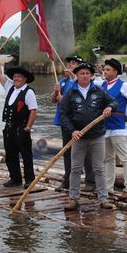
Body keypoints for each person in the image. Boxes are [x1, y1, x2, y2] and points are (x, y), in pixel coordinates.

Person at [60, 62, 118, 210]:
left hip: (97, 136)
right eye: (81, 74)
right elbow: (63, 115)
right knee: (75, 169)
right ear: (77, 76)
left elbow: (114, 101)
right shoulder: (70, 93)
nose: (84, 76)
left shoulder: (98, 91)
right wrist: (72, 130)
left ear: (91, 75)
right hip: (78, 137)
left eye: (87, 73)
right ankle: (74, 199)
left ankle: (103, 199)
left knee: (99, 168)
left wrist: (109, 107)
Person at [96, 58, 127, 200]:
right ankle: (109, 187)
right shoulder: (102, 85)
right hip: (104, 127)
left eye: (108, 70)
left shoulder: (123, 86)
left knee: (124, 158)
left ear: (115, 72)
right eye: (104, 69)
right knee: (107, 159)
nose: (105, 72)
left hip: (117, 127)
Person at [51, 55, 95, 192]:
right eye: (69, 63)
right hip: (65, 121)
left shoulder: (80, 83)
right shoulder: (64, 81)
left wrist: (61, 97)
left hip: (78, 121)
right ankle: (68, 180)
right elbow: (54, 100)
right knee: (67, 151)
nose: (69, 65)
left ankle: (90, 181)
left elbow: (72, 100)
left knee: (86, 151)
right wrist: (56, 91)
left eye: (73, 63)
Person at [0, 50, 37, 188]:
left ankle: (29, 180)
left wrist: (28, 127)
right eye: (15, 76)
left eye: (19, 76)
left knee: (26, 155)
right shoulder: (10, 87)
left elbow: (33, 111)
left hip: (22, 127)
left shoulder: (28, 92)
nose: (16, 78)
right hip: (9, 127)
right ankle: (15, 178)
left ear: (24, 78)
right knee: (10, 154)